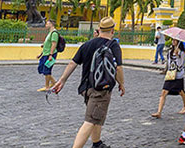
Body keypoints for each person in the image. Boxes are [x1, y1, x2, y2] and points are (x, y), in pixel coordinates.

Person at [52, 17, 125, 148]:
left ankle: (97, 143)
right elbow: (118, 68)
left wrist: (62, 80)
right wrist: (121, 83)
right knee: (90, 120)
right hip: (100, 89)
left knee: (96, 116)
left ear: (99, 29)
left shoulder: (87, 44)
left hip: (86, 88)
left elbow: (72, 63)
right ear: (112, 30)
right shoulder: (113, 45)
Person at [151, 39, 185, 118]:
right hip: (170, 75)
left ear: (179, 42)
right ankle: (159, 112)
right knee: (164, 92)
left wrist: (178, 56)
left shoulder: (182, 53)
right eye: (173, 40)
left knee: (181, 92)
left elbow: (181, 65)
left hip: (178, 75)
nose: (173, 42)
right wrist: (166, 71)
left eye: (175, 40)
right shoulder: (170, 52)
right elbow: (169, 63)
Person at [36, 18, 59, 91]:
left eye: (47, 23)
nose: (46, 25)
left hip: (50, 55)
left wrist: (51, 55)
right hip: (45, 54)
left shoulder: (54, 33)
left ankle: (47, 86)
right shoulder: (50, 33)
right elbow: (48, 45)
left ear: (51, 24)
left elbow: (54, 44)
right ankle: (54, 82)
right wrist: (41, 54)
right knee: (42, 68)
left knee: (47, 70)